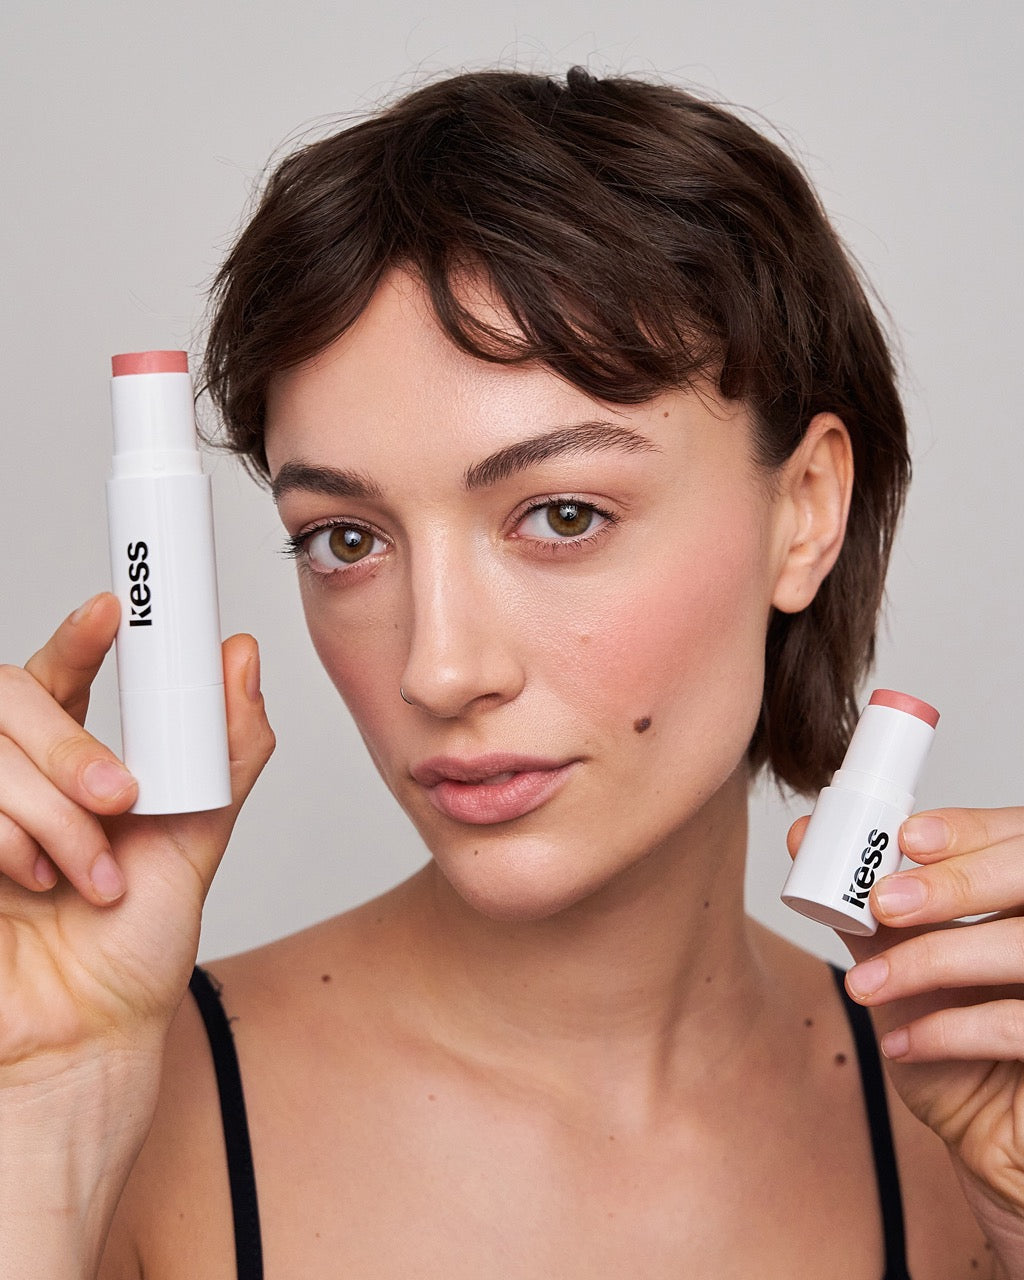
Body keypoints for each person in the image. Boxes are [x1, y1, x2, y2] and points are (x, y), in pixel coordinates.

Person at [1, 67, 1022, 1279]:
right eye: (346, 539)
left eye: (563, 514)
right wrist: (44, 1122)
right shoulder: (118, 1119)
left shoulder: (967, 1138)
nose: (439, 669)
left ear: (804, 511)